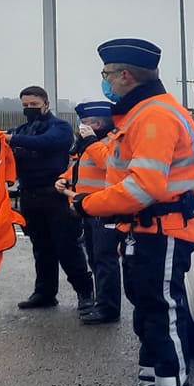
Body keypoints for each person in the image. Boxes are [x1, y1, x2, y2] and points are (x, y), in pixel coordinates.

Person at [63, 38, 194, 386]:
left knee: (165, 320)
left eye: (107, 75)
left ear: (126, 75)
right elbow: (121, 166)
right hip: (144, 232)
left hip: (163, 232)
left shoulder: (154, 117)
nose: (105, 83)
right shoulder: (140, 114)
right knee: (148, 320)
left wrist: (89, 204)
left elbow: (144, 186)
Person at [7, 84, 93, 311]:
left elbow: (47, 142)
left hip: (55, 196)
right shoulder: (23, 130)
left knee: (67, 247)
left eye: (34, 105)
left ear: (46, 104)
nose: (29, 109)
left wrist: (12, 139)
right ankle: (44, 293)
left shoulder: (60, 128)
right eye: (25, 105)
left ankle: (85, 293)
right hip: (29, 196)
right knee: (41, 248)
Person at [65, 101, 123, 324]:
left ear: (98, 123)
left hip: (105, 209)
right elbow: (82, 168)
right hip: (88, 207)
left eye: (86, 123)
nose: (81, 127)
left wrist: (89, 141)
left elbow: (108, 164)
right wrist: (65, 179)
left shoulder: (111, 142)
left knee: (104, 259)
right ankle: (102, 303)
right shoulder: (90, 144)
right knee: (95, 257)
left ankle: (108, 309)